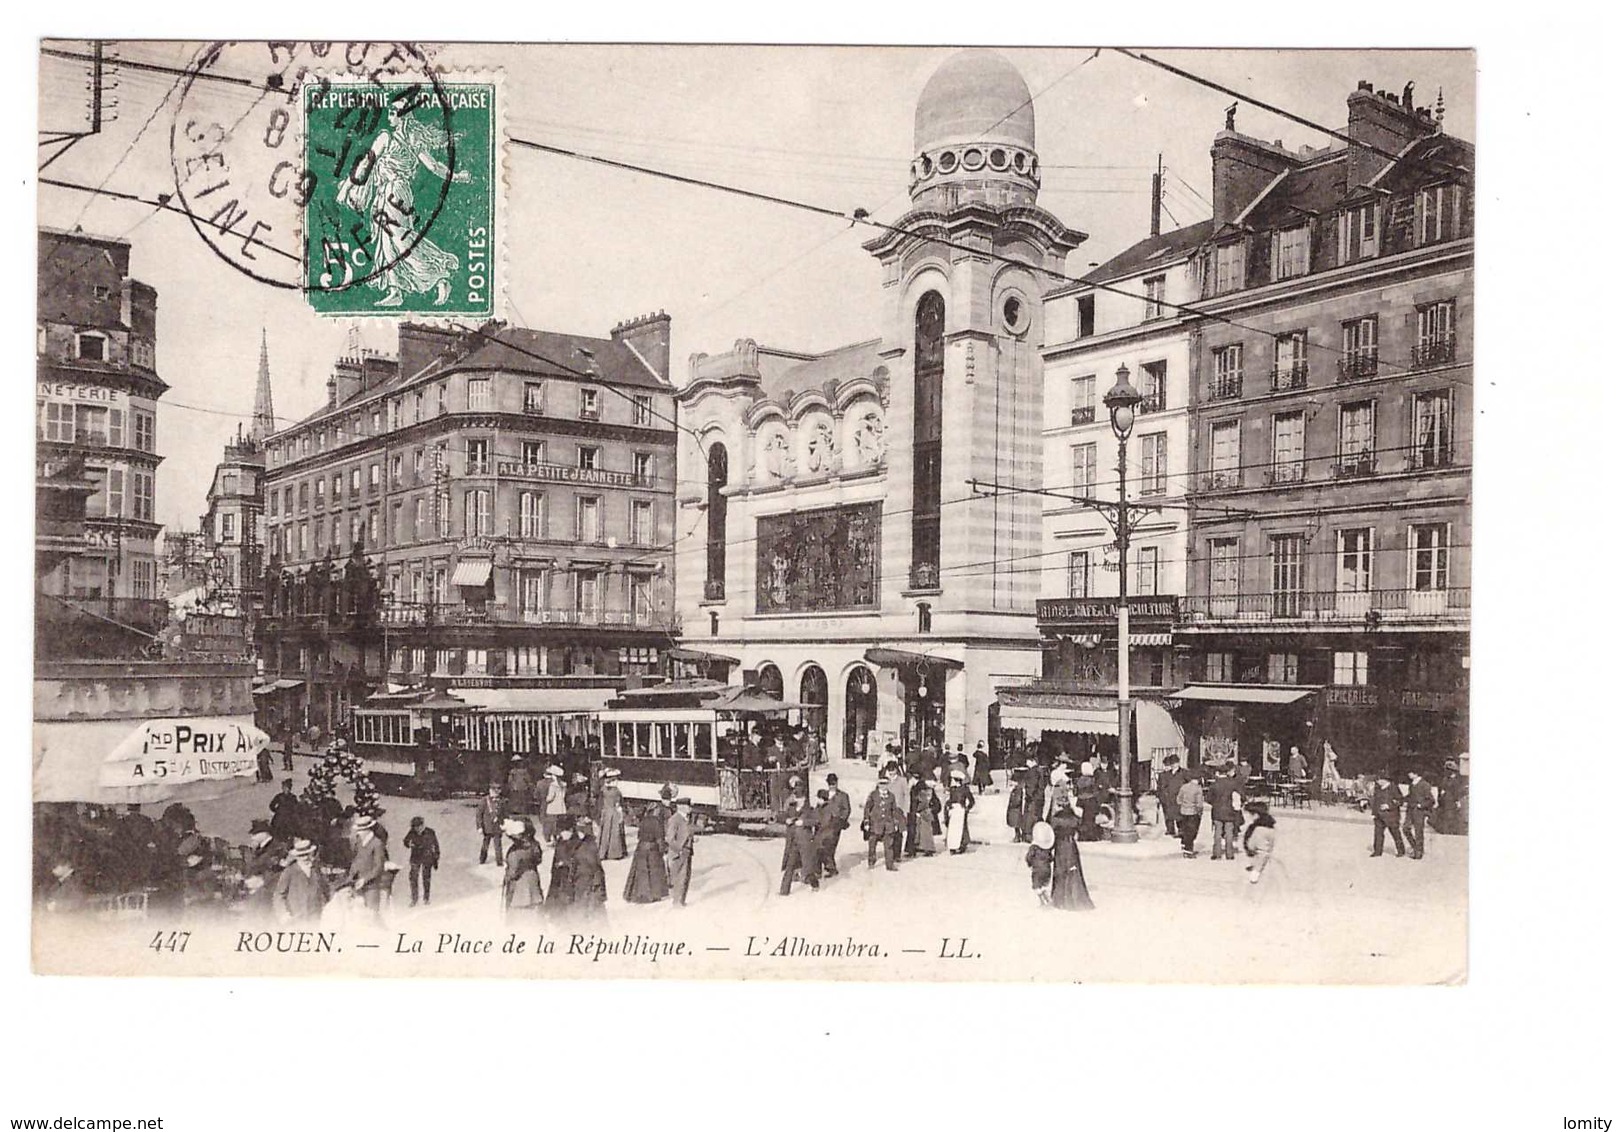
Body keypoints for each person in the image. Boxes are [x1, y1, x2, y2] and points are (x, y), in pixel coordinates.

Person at [1048, 798, 1095, 910]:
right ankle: (1075, 898)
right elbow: (1083, 828)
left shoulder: (1055, 820)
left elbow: (1050, 834)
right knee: (1073, 872)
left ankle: (1060, 900)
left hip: (1060, 846)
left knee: (1060, 871)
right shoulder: (1074, 818)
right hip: (1071, 846)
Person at [624, 794, 671, 904]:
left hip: (640, 849)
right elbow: (659, 838)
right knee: (654, 872)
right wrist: (663, 849)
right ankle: (653, 895)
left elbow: (639, 836)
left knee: (641, 873)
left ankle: (639, 894)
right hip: (652, 849)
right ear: (654, 811)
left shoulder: (644, 820)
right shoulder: (657, 822)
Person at [272, 839, 330, 922]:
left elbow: (326, 891)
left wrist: (326, 908)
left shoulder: (317, 871)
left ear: (311, 854)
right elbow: (279, 895)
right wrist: (283, 914)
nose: (305, 858)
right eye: (302, 855)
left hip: (316, 917)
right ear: (296, 857)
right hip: (296, 918)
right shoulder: (289, 872)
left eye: (307, 854)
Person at [347, 814, 388, 920]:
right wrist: (350, 877)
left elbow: (378, 867)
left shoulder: (377, 843)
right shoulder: (359, 842)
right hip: (357, 885)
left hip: (372, 887)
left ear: (367, 830)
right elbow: (356, 861)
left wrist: (365, 880)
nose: (358, 833)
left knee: (371, 915)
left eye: (360, 830)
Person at [501, 818, 545, 917]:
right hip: (534, 883)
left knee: (518, 918)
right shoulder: (534, 846)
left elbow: (513, 872)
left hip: (519, 889)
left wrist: (507, 876)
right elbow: (538, 860)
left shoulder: (515, 852)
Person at [778, 792, 819, 895]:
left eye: (799, 798)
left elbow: (816, 821)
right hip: (793, 841)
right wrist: (786, 820)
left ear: (804, 799)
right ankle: (784, 891)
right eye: (796, 797)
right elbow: (780, 816)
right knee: (790, 865)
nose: (797, 800)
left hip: (805, 841)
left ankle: (815, 884)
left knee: (807, 866)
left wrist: (804, 822)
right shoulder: (791, 808)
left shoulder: (809, 809)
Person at [863, 771, 903, 871]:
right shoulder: (873, 795)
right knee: (872, 844)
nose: (883, 786)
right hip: (875, 824)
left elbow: (894, 810)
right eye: (881, 784)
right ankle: (871, 861)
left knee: (889, 845)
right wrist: (866, 821)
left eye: (885, 784)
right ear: (878, 784)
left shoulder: (891, 796)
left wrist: (896, 823)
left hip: (888, 824)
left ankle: (889, 864)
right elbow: (867, 809)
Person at [571, 817, 609, 922]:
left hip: (587, 883)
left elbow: (596, 867)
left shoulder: (587, 847)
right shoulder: (587, 845)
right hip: (583, 882)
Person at [403, 816, 440, 907]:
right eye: (415, 827)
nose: (417, 829)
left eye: (419, 826)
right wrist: (409, 844)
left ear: (422, 825)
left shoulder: (430, 832)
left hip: (427, 857)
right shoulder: (412, 832)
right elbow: (405, 841)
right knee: (413, 877)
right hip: (416, 857)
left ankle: (426, 898)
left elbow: (436, 846)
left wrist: (436, 858)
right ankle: (414, 899)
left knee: (426, 877)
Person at [1241, 800, 1278, 893]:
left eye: (1250, 814)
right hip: (1263, 860)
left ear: (1256, 815)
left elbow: (1257, 848)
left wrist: (1256, 871)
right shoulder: (1270, 826)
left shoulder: (1258, 829)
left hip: (1259, 866)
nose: (1248, 817)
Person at [1208, 763, 1243, 861]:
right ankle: (1229, 854)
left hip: (1217, 811)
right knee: (1229, 832)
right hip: (1230, 810)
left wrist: (1215, 803)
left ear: (1218, 773)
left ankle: (1217, 853)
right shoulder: (1233, 783)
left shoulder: (1214, 784)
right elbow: (1241, 795)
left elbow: (1208, 798)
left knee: (1217, 832)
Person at [819, 773, 851, 878]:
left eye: (834, 783)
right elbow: (818, 809)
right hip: (824, 824)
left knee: (830, 845)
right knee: (822, 846)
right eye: (830, 784)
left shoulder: (843, 796)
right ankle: (829, 867)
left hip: (835, 825)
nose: (832, 785)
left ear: (837, 783)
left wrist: (841, 820)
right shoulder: (823, 795)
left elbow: (847, 809)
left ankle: (831, 868)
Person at [1369, 772, 1407, 858]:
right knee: (1378, 834)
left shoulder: (1393, 788)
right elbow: (1375, 801)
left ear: (1384, 780)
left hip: (1391, 816)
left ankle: (1401, 850)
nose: (1377, 782)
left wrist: (1389, 805)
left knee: (1395, 833)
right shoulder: (1377, 788)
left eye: (1378, 780)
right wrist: (1374, 813)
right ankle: (1377, 851)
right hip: (1379, 815)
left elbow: (1400, 800)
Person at [666, 797, 695, 906]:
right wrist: (679, 850)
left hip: (687, 851)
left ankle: (681, 901)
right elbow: (670, 838)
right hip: (679, 853)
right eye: (688, 806)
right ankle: (677, 902)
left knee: (685, 877)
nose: (690, 808)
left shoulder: (685, 818)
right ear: (681, 807)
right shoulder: (675, 819)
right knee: (679, 878)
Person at [1404, 769, 1436, 861]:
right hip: (1410, 810)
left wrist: (1421, 805)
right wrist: (1401, 800)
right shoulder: (1412, 784)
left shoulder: (1425, 785)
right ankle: (1415, 847)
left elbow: (1431, 800)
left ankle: (1419, 852)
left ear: (1415, 773)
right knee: (1405, 828)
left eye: (1410, 773)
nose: (1408, 774)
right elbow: (1410, 796)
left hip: (1419, 811)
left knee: (1418, 831)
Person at [597, 768, 628, 860]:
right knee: (615, 833)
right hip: (614, 812)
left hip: (606, 812)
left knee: (605, 833)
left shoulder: (604, 789)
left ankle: (603, 852)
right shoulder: (616, 791)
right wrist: (621, 814)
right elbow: (618, 804)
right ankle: (615, 853)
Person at [549, 818, 578, 912]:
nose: (562, 834)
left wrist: (565, 863)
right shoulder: (561, 842)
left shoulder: (575, 843)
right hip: (560, 876)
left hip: (570, 876)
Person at [1156, 755, 1188, 839]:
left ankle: (1181, 830)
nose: (1174, 765)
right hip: (1169, 797)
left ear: (1178, 763)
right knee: (1170, 814)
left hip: (1179, 797)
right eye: (1172, 763)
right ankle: (1171, 830)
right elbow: (1163, 785)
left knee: (1180, 814)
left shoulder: (1184, 772)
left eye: (1175, 763)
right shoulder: (1167, 774)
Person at [907, 775, 939, 857]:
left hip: (919, 813)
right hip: (926, 813)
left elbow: (914, 802)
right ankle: (927, 848)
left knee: (916, 832)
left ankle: (914, 849)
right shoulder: (929, 790)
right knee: (925, 831)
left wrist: (915, 811)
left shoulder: (915, 789)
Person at [1175, 773, 1206, 859]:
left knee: (1185, 829)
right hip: (1193, 812)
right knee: (1192, 831)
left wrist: (1183, 805)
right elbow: (1199, 803)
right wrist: (1200, 811)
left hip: (1184, 811)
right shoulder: (1198, 789)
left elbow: (1178, 799)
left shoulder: (1184, 787)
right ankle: (1189, 850)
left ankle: (1185, 846)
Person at [476, 784, 508, 866]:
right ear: (490, 791)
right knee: (485, 844)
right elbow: (479, 814)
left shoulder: (502, 801)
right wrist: (479, 826)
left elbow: (505, 814)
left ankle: (499, 861)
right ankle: (482, 859)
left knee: (498, 845)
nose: (496, 793)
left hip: (497, 826)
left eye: (497, 791)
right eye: (494, 791)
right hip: (487, 827)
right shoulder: (484, 800)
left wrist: (505, 823)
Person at [946, 768, 975, 854]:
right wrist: (949, 805)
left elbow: (972, 801)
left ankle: (962, 844)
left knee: (961, 828)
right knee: (952, 829)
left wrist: (967, 808)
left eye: (953, 779)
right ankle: (953, 846)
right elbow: (950, 800)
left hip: (961, 810)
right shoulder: (952, 789)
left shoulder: (965, 789)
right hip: (953, 810)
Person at [1435, 759, 1468, 836]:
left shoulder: (1452, 780)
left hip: (1450, 801)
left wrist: (1457, 801)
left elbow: (1456, 792)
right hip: (1446, 801)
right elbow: (1443, 789)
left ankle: (1449, 832)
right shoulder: (1447, 779)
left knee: (1449, 817)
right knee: (1446, 817)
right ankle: (1446, 832)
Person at [1026, 821, 1055, 908]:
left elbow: (1028, 857)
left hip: (1037, 870)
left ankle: (1042, 901)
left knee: (1036, 886)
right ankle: (1047, 899)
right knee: (1043, 885)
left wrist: (1029, 863)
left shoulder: (1034, 848)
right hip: (1047, 870)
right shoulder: (1047, 849)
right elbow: (1051, 858)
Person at [539, 765, 570, 843]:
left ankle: (550, 839)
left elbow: (550, 797)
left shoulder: (553, 785)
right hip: (561, 806)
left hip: (553, 807)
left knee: (551, 824)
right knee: (559, 824)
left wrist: (546, 800)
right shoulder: (564, 784)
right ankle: (558, 838)